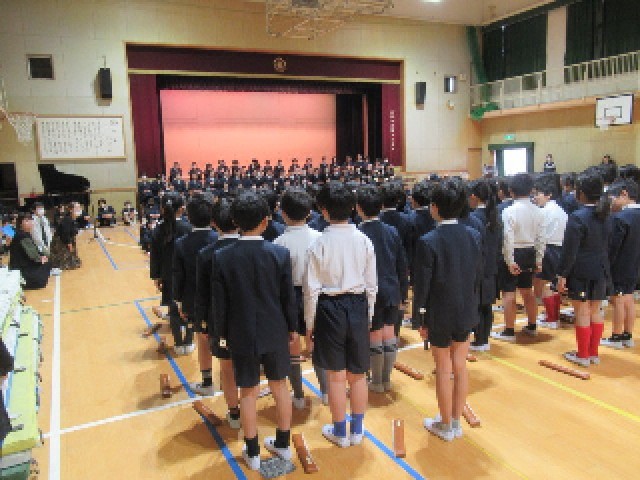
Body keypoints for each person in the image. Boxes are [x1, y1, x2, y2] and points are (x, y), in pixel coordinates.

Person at [213, 191, 298, 470]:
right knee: (280, 386)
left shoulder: (222, 257)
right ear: (265, 221)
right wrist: (292, 328)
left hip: (241, 332)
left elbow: (220, 304)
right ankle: (283, 445)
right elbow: (288, 298)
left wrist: (221, 335)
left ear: (235, 221)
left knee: (248, 391)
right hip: (275, 329)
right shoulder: (279, 253)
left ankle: (252, 452)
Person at [304, 182, 377, 448]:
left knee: (335, 375)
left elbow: (311, 290)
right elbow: (372, 284)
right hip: (358, 305)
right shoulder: (364, 240)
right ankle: (357, 430)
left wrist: (310, 324)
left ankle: (339, 432)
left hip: (329, 307)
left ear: (323, 210)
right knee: (358, 374)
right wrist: (368, 315)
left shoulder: (318, 244)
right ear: (353, 208)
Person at [412, 178, 482, 442]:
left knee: (443, 367)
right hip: (466, 308)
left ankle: (445, 424)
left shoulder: (428, 241)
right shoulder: (473, 235)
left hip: (439, 312)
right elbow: (476, 275)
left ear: (434, 207)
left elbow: (423, 286)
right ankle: (455, 422)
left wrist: (419, 317)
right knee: (460, 366)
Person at [274, 188, 324, 407]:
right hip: (318, 294)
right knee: (319, 346)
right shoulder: (320, 238)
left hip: (290, 297)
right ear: (309, 212)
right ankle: (326, 392)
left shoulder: (278, 243)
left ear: (282, 213)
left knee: (293, 346)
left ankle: (298, 396)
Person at [356, 185, 408, 393]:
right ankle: (386, 379)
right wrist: (403, 293)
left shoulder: (359, 233)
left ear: (358, 208)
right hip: (392, 288)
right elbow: (402, 265)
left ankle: (376, 381)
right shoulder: (391, 231)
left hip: (371, 291)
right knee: (389, 332)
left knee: (375, 334)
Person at [557, 170, 611, 366]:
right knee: (596, 310)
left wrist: (562, 275)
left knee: (582, 311)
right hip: (601, 269)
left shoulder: (577, 217)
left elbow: (569, 251)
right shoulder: (607, 215)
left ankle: (582, 355)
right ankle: (593, 353)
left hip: (581, 270)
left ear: (580, 192)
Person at [195, 198, 241, 428]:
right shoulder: (253, 248)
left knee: (227, 367)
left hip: (220, 320)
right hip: (251, 318)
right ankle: (248, 410)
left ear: (213, 223)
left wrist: (202, 324)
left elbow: (202, 294)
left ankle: (234, 414)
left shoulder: (206, 254)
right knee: (250, 367)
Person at [172, 194, 218, 394]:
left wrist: (179, 302)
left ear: (188, 217)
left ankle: (207, 382)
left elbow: (178, 276)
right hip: (221, 300)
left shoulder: (181, 244)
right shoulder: (220, 239)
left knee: (203, 339)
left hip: (195, 301)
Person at [491, 173, 544, 342]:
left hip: (514, 251)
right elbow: (541, 238)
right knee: (528, 290)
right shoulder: (538, 211)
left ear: (511, 191)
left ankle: (509, 331)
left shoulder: (509, 211)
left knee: (509, 292)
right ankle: (532, 325)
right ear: (531, 190)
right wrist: (539, 259)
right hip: (531, 251)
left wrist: (509, 261)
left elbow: (508, 238)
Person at [150, 193, 192, 353]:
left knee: (173, 309)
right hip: (187, 276)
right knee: (188, 308)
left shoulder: (158, 229)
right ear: (182, 209)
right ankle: (189, 342)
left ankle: (178, 344)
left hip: (168, 275)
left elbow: (155, 255)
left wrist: (156, 276)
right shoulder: (188, 228)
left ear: (162, 209)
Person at [601, 179, 640, 349]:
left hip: (620, 265)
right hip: (635, 264)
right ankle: (627, 335)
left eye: (612, 199)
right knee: (629, 299)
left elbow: (613, 246)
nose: (611, 204)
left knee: (617, 300)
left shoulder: (621, 218)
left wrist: (606, 265)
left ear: (624, 194)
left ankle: (616, 336)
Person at [468, 179, 501, 351]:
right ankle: (484, 338)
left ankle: (480, 339)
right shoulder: (494, 215)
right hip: (491, 265)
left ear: (474, 197)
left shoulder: (474, 218)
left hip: (478, 266)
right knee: (486, 304)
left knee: (478, 304)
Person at [531, 174, 567, 326]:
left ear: (548, 194)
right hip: (560, 249)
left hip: (548, 249)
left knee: (546, 285)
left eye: (538, 194)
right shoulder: (561, 210)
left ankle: (551, 318)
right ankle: (553, 316)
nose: (535, 197)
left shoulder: (545, 211)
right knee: (553, 284)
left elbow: (539, 235)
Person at [9, 213, 51, 289]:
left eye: (31, 220)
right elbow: (32, 254)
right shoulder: (21, 235)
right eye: (26, 221)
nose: (30, 222)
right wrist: (41, 259)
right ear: (20, 223)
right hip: (21, 269)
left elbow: (35, 249)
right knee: (41, 278)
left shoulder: (25, 234)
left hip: (24, 265)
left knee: (47, 263)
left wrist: (42, 256)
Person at [50, 203, 81, 270]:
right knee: (69, 264)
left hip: (67, 240)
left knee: (76, 261)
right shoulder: (67, 219)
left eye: (79, 207)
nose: (79, 209)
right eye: (77, 208)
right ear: (71, 210)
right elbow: (65, 234)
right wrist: (69, 244)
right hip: (61, 242)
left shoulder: (73, 219)